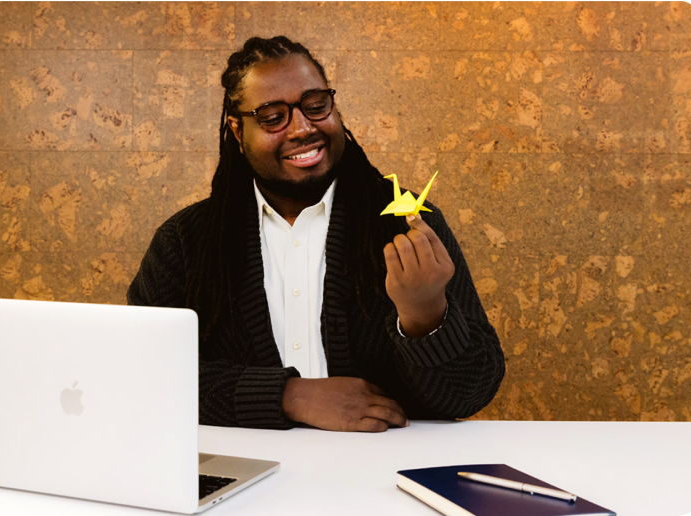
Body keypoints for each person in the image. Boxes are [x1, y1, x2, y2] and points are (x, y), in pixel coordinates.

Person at [127, 36, 505, 432]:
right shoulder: (185, 242)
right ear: (238, 131)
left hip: (384, 463)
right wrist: (291, 396)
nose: (302, 128)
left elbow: (471, 393)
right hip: (248, 466)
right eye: (273, 116)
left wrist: (424, 316)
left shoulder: (407, 224)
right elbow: (144, 375)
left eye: (316, 105)